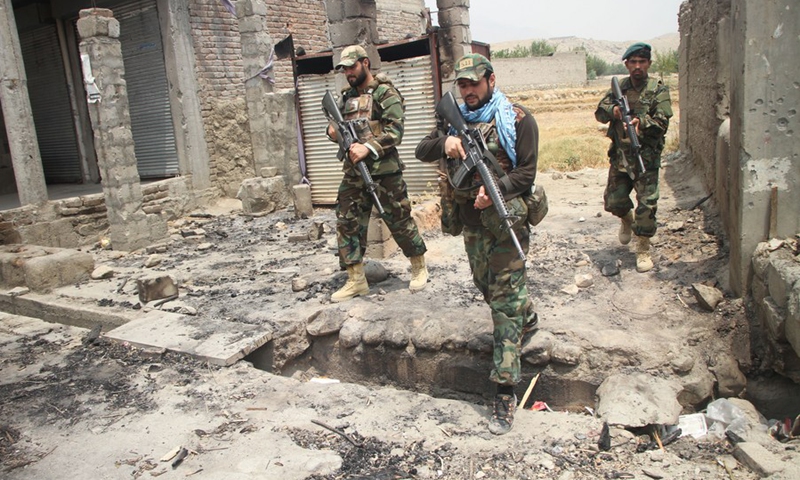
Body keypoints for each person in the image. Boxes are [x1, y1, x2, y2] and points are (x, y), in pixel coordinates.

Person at [415, 53, 539, 435]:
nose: (467, 90)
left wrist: (494, 189)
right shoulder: (450, 121)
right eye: (462, 85)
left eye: (474, 83)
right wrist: (447, 143)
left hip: (505, 223)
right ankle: (528, 316)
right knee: (485, 285)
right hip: (471, 224)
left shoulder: (518, 119)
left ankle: (504, 392)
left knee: (502, 303)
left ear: (491, 80)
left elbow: (527, 173)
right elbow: (421, 150)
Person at [326, 45, 428, 302]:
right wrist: (334, 133)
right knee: (347, 222)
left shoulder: (385, 93)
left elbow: (395, 131)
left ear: (365, 64)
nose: (348, 72)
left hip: (385, 172)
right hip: (353, 172)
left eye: (352, 67)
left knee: (399, 218)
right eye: (344, 69)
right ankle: (356, 279)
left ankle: (418, 266)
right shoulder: (346, 98)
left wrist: (368, 147)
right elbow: (337, 128)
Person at [595, 42, 673, 273]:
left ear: (648, 63)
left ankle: (643, 247)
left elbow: (663, 123)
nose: (637, 66)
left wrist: (641, 123)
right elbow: (600, 112)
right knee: (613, 201)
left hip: (646, 158)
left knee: (647, 206)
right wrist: (615, 111)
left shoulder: (658, 90)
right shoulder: (620, 87)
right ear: (627, 64)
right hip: (621, 157)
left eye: (642, 62)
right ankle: (627, 220)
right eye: (633, 62)